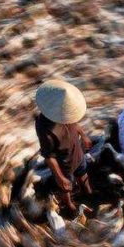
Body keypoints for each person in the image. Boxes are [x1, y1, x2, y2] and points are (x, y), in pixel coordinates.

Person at [34, 79, 93, 209]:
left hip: (77, 153)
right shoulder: (44, 128)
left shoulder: (67, 112)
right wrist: (60, 177)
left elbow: (74, 123)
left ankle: (88, 195)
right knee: (66, 187)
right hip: (64, 163)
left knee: (84, 177)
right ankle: (69, 205)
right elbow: (49, 155)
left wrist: (83, 136)